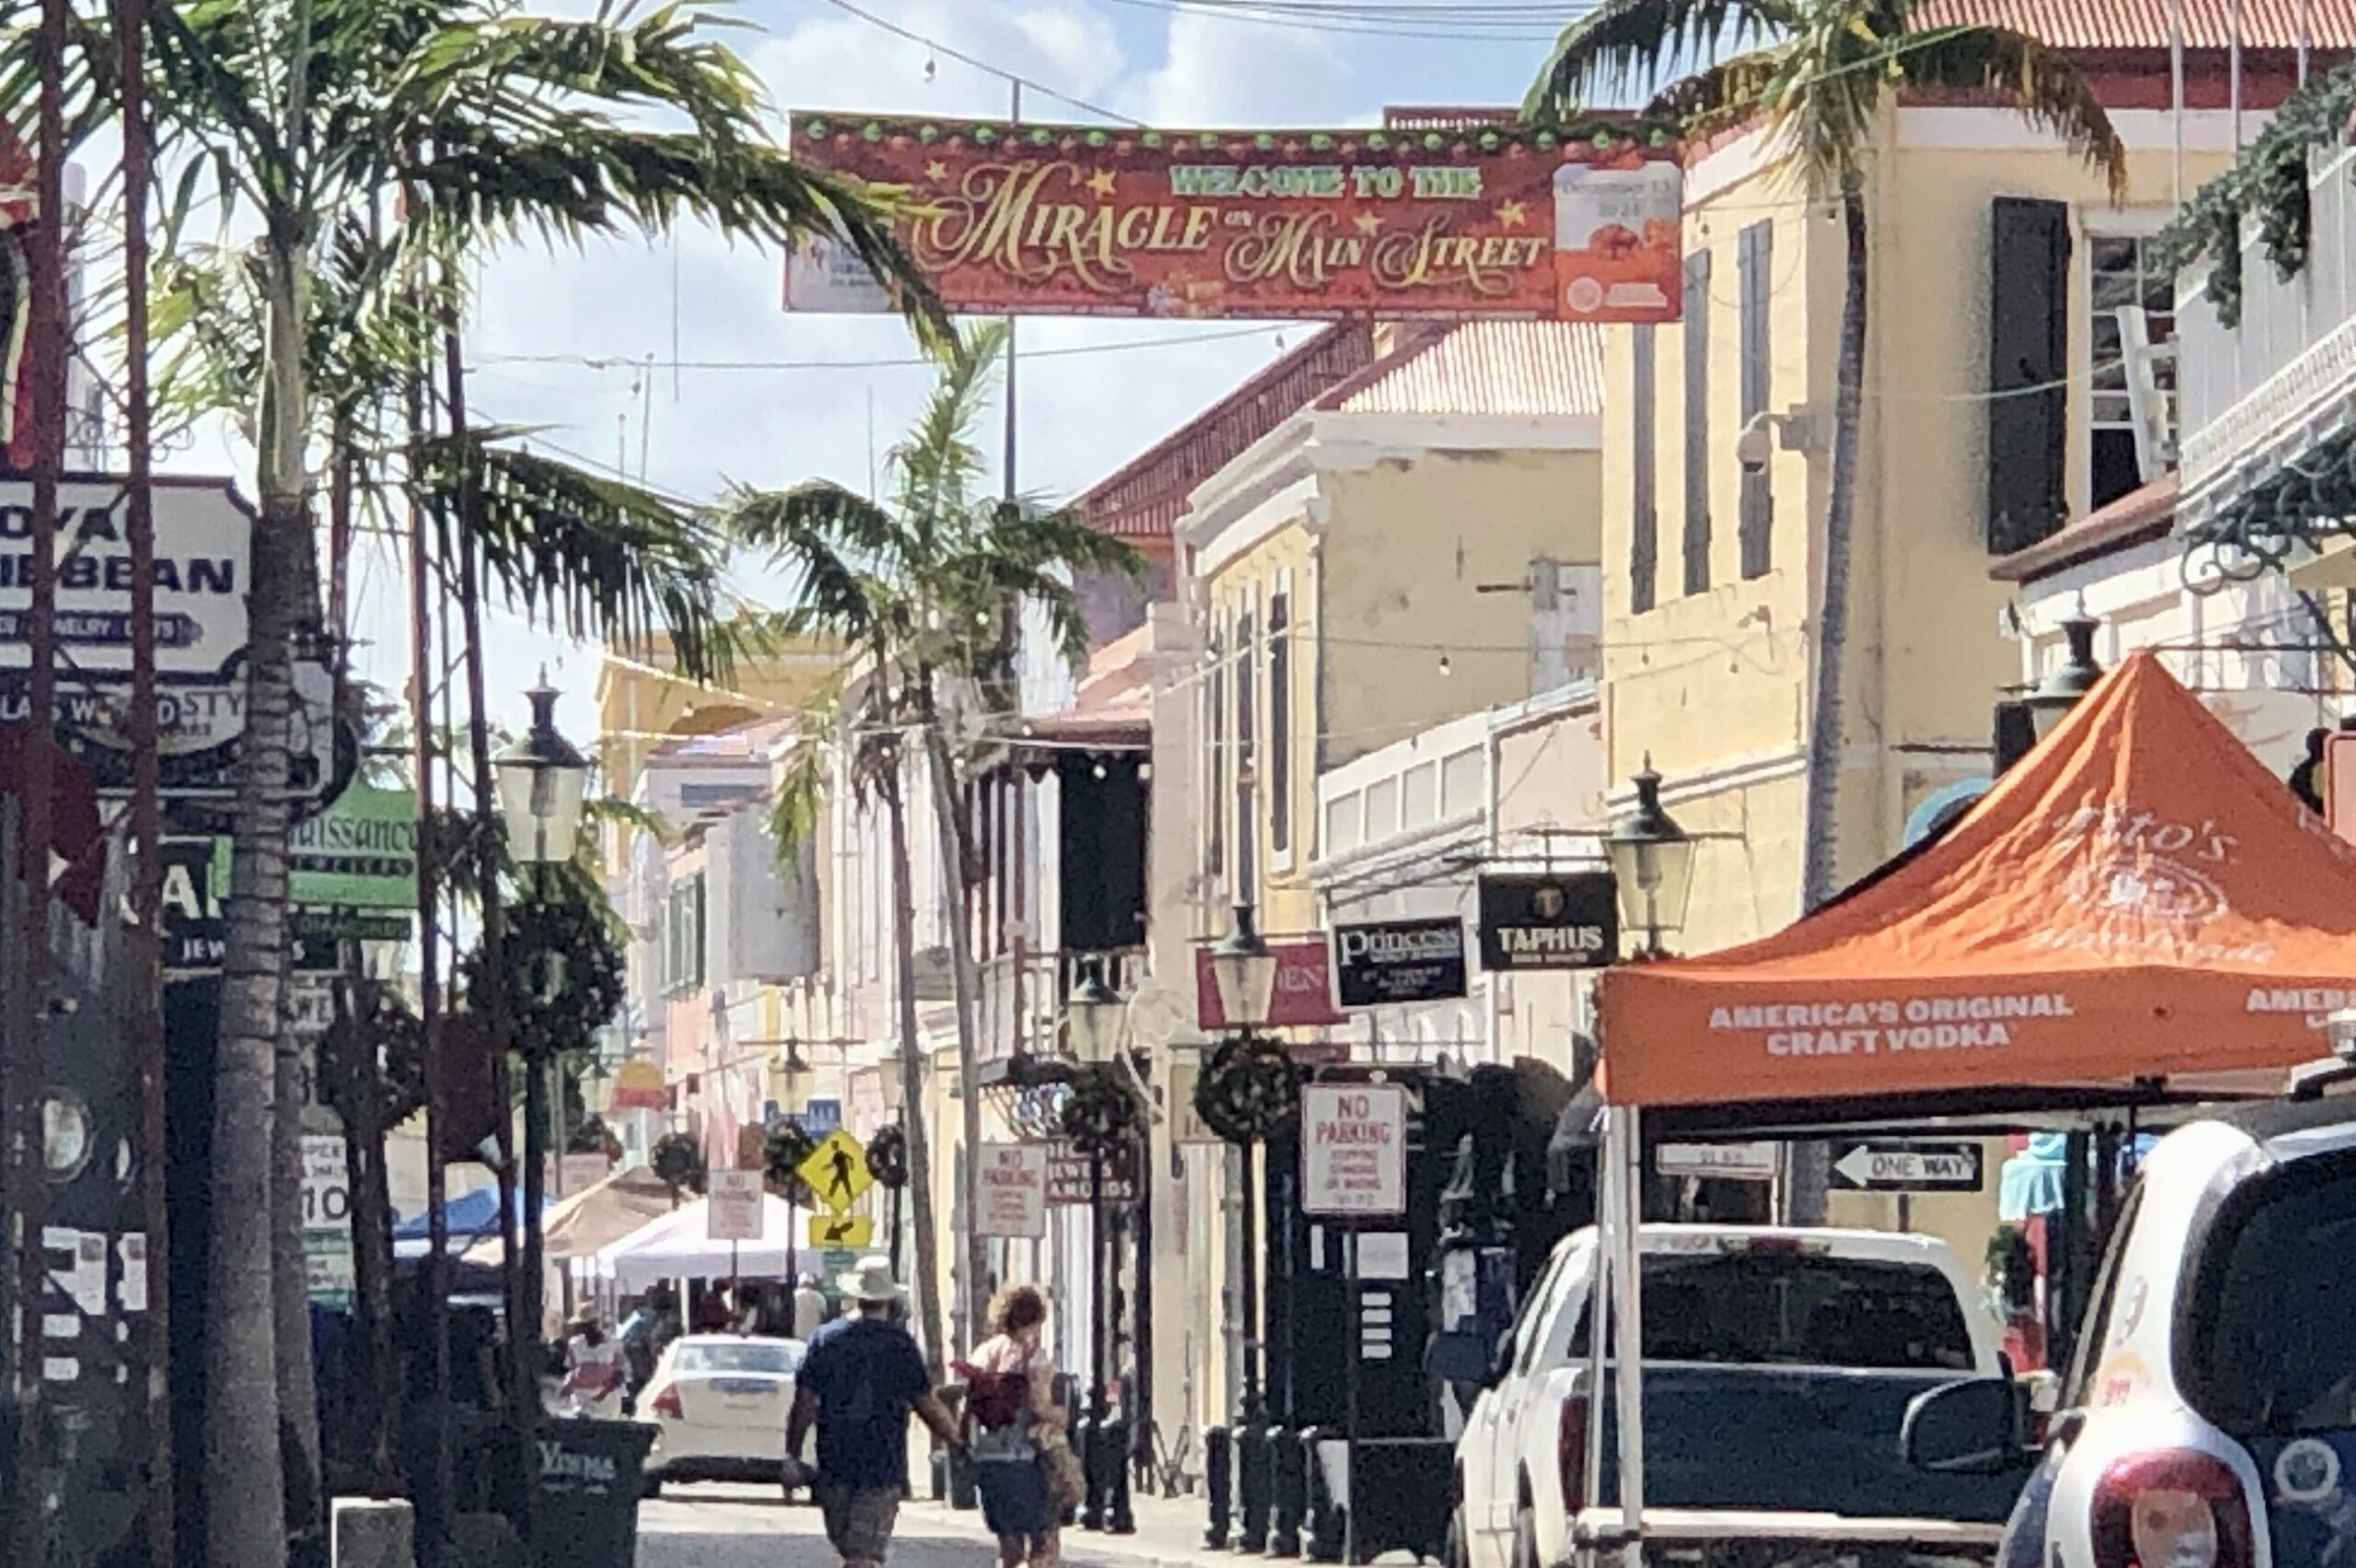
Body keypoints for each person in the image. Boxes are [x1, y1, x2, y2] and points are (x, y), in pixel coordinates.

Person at [788, 1258, 964, 1568]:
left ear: (856, 1295)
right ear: (888, 1298)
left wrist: (792, 1453)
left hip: (834, 1462)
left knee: (853, 1549)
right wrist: (955, 1440)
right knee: (860, 1553)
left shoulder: (825, 1340)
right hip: (881, 1464)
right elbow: (925, 1403)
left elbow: (804, 1403)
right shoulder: (899, 1345)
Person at [956, 1285, 1066, 1568]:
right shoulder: (1033, 1357)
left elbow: (965, 1407)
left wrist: (962, 1446)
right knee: (1044, 1543)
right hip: (1026, 1460)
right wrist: (1060, 1417)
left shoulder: (983, 1354)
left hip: (989, 1459)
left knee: (1009, 1547)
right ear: (1037, 1318)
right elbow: (1038, 1405)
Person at [560, 1308, 628, 1416]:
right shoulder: (575, 1344)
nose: (586, 1330)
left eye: (589, 1326)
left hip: (607, 1400)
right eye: (582, 1327)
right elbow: (572, 1370)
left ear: (596, 1324)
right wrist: (567, 1387)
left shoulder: (614, 1344)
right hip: (582, 1399)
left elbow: (620, 1373)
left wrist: (604, 1393)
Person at [793, 1273, 829, 1342]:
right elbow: (824, 1314)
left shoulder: (795, 1295)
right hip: (814, 1333)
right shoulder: (820, 1297)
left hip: (798, 1333)